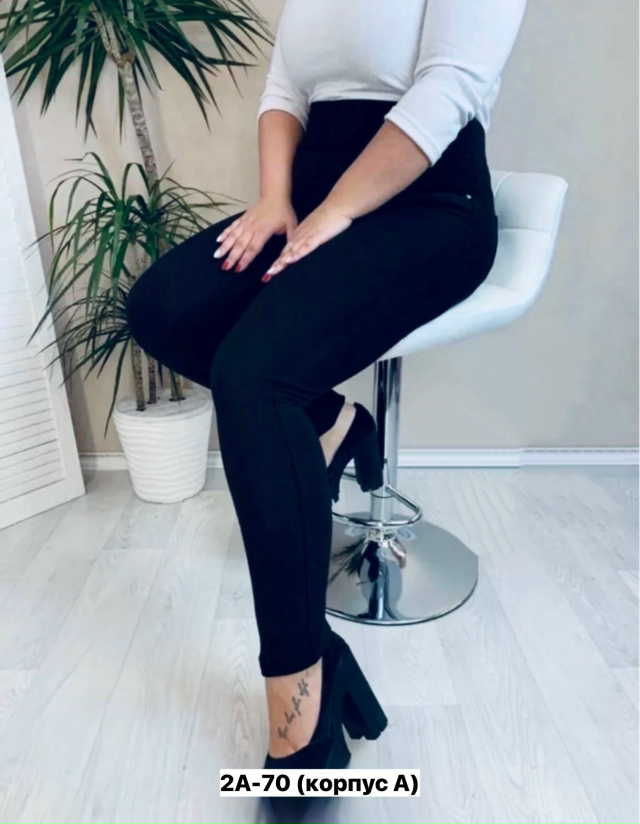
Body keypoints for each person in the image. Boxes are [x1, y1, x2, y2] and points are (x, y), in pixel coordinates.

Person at [125, 0, 528, 771]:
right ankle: (332, 422)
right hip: (314, 198)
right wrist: (277, 200)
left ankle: (299, 706)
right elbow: (285, 90)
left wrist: (339, 210)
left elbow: (449, 88)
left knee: (255, 376)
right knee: (163, 310)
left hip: (430, 205)